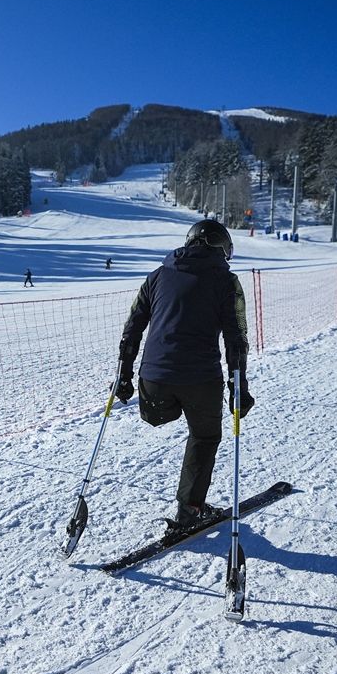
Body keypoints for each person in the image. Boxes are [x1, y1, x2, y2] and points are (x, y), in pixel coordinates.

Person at [115, 220, 253, 532]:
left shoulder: (158, 275)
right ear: (220, 247)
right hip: (200, 378)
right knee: (204, 436)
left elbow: (132, 326)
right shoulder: (226, 281)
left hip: (153, 381)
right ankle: (190, 508)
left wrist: (124, 375)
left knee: (159, 415)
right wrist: (238, 385)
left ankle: (165, 410)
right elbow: (236, 338)